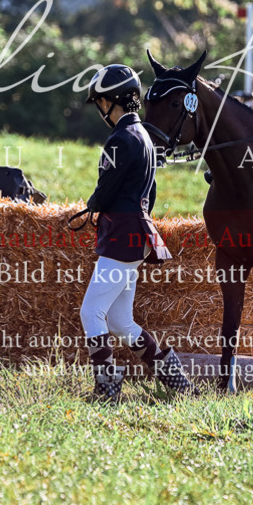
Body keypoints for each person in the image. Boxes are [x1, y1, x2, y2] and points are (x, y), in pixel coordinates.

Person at [80, 64, 197, 401]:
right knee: (120, 321)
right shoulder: (144, 135)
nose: (101, 109)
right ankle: (177, 381)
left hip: (121, 235)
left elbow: (105, 189)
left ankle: (107, 386)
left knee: (91, 312)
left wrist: (92, 203)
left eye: (102, 102)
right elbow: (153, 191)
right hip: (138, 233)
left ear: (112, 101)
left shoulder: (120, 138)